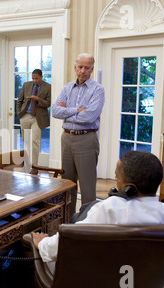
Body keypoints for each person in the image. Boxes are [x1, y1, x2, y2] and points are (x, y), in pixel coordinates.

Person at [31, 151, 164, 264]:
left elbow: (65, 244)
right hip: (146, 281)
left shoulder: (110, 209)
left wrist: (43, 243)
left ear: (130, 187)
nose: (115, 180)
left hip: (99, 281)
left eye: (117, 177)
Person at [51, 53, 105, 214]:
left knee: (87, 187)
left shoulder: (98, 90)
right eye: (80, 67)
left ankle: (87, 223)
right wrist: (76, 110)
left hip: (86, 139)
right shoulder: (67, 88)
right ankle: (68, 219)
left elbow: (89, 116)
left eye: (87, 68)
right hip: (66, 138)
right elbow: (54, 111)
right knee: (67, 183)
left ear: (92, 69)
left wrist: (66, 111)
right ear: (75, 68)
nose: (83, 71)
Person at [16, 69, 51, 173]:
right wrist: (19, 114)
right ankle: (27, 163)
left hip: (37, 118)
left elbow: (48, 103)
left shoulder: (47, 87)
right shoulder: (26, 85)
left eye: (36, 78)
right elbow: (20, 100)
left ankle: (35, 167)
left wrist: (38, 100)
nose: (34, 80)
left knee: (35, 141)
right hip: (25, 116)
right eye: (33, 78)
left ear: (41, 77)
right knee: (25, 141)